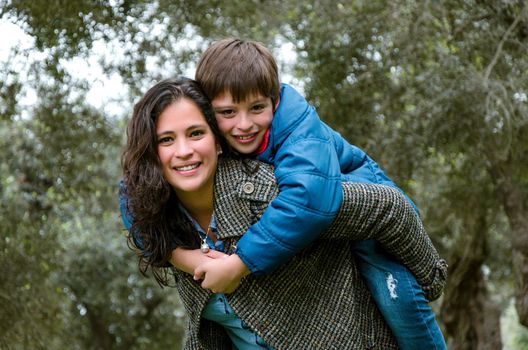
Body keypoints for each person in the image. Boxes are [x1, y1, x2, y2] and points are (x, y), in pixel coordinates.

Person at [120, 77, 447, 349]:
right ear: (151, 153)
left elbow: (390, 207)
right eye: (166, 139)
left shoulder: (271, 194)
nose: (184, 151)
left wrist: (430, 278)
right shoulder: (159, 216)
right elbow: (130, 204)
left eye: (195, 133)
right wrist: (186, 258)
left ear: (218, 140)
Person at [192, 38, 446, 349]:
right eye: (228, 112)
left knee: (398, 301)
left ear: (274, 100)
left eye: (257, 108)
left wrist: (239, 263)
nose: (243, 124)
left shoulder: (299, 129)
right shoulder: (208, 141)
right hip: (333, 235)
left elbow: (308, 199)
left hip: (370, 224)